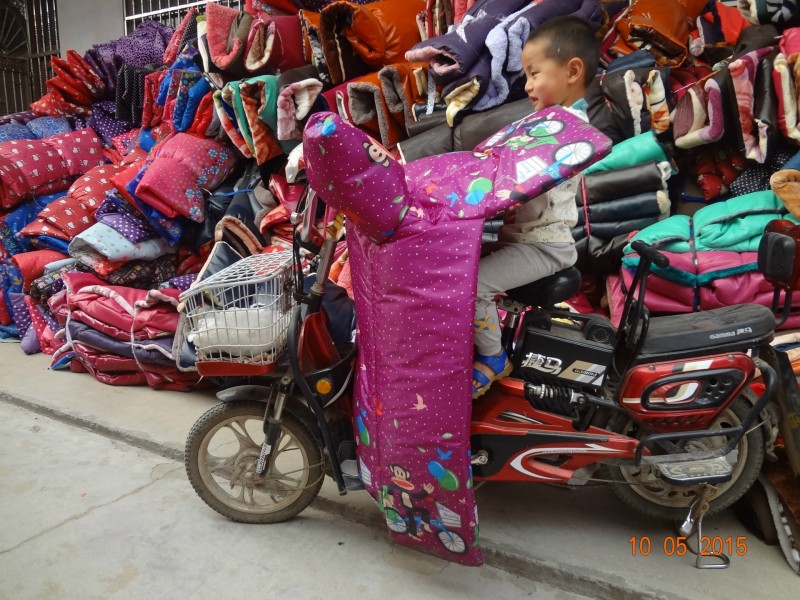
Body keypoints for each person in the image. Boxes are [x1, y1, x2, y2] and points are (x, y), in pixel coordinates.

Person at [471, 16, 600, 398]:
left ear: (572, 70)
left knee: (472, 285)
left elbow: (514, 175)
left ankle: (492, 357)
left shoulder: (569, 128)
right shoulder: (546, 123)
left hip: (543, 246)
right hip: (525, 238)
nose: (526, 86)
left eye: (534, 73)